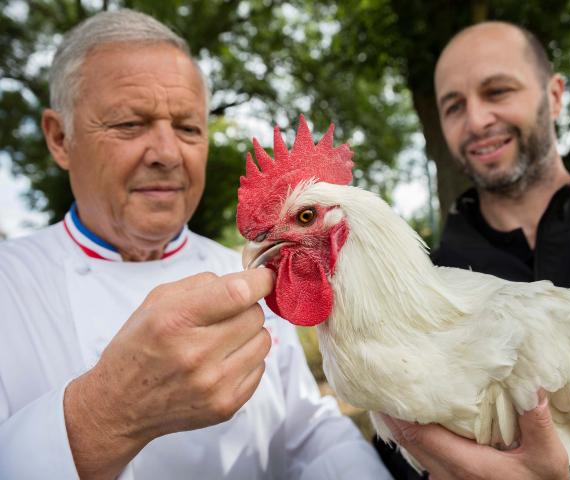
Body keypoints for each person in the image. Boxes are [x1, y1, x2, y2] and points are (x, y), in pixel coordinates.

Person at [0, 9, 392, 479]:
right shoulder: (10, 284)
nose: (167, 154)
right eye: (129, 124)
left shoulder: (250, 274)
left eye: (188, 128)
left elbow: (308, 430)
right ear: (59, 138)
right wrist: (105, 416)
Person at [378, 21, 570, 480]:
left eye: (497, 91)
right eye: (454, 106)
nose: (476, 121)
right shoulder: (420, 285)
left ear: (555, 95)